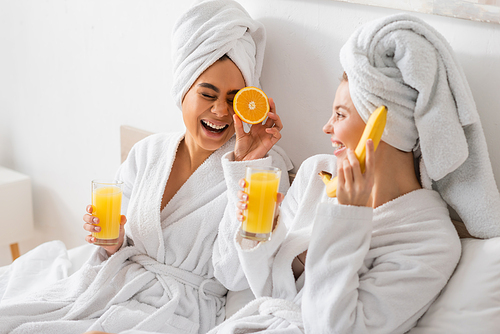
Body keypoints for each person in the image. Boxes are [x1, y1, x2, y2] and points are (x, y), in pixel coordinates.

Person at [0, 1, 292, 333]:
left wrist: (243, 165)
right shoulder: (148, 152)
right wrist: (111, 243)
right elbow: (123, 244)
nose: (221, 111)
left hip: (181, 309)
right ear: (183, 90)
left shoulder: (265, 169)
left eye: (232, 98)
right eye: (207, 94)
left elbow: (233, 275)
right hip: (118, 284)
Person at [209, 13, 500, 333]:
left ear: (382, 127)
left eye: (340, 114)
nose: (327, 127)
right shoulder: (318, 174)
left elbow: (334, 328)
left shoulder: (429, 241)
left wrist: (347, 221)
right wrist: (260, 221)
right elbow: (265, 285)